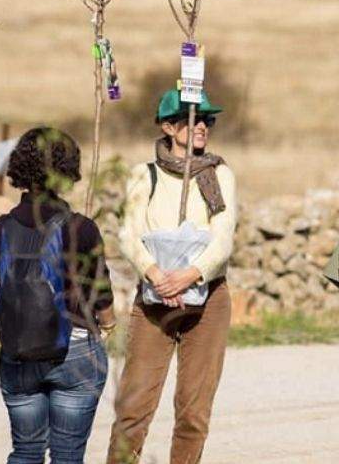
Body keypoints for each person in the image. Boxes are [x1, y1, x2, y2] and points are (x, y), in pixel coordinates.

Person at [107, 90, 238, 464]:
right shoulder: (142, 176)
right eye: (193, 119)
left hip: (207, 296)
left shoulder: (220, 174)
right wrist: (156, 275)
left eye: (207, 121)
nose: (202, 127)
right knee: (133, 408)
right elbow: (128, 234)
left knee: (194, 412)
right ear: (168, 126)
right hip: (154, 296)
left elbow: (223, 236)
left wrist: (190, 276)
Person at [0, 127, 116, 464]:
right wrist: (109, 324)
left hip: (18, 348)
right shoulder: (81, 227)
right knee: (67, 456)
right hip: (74, 347)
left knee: (26, 452)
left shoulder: (1, 228)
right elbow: (100, 288)